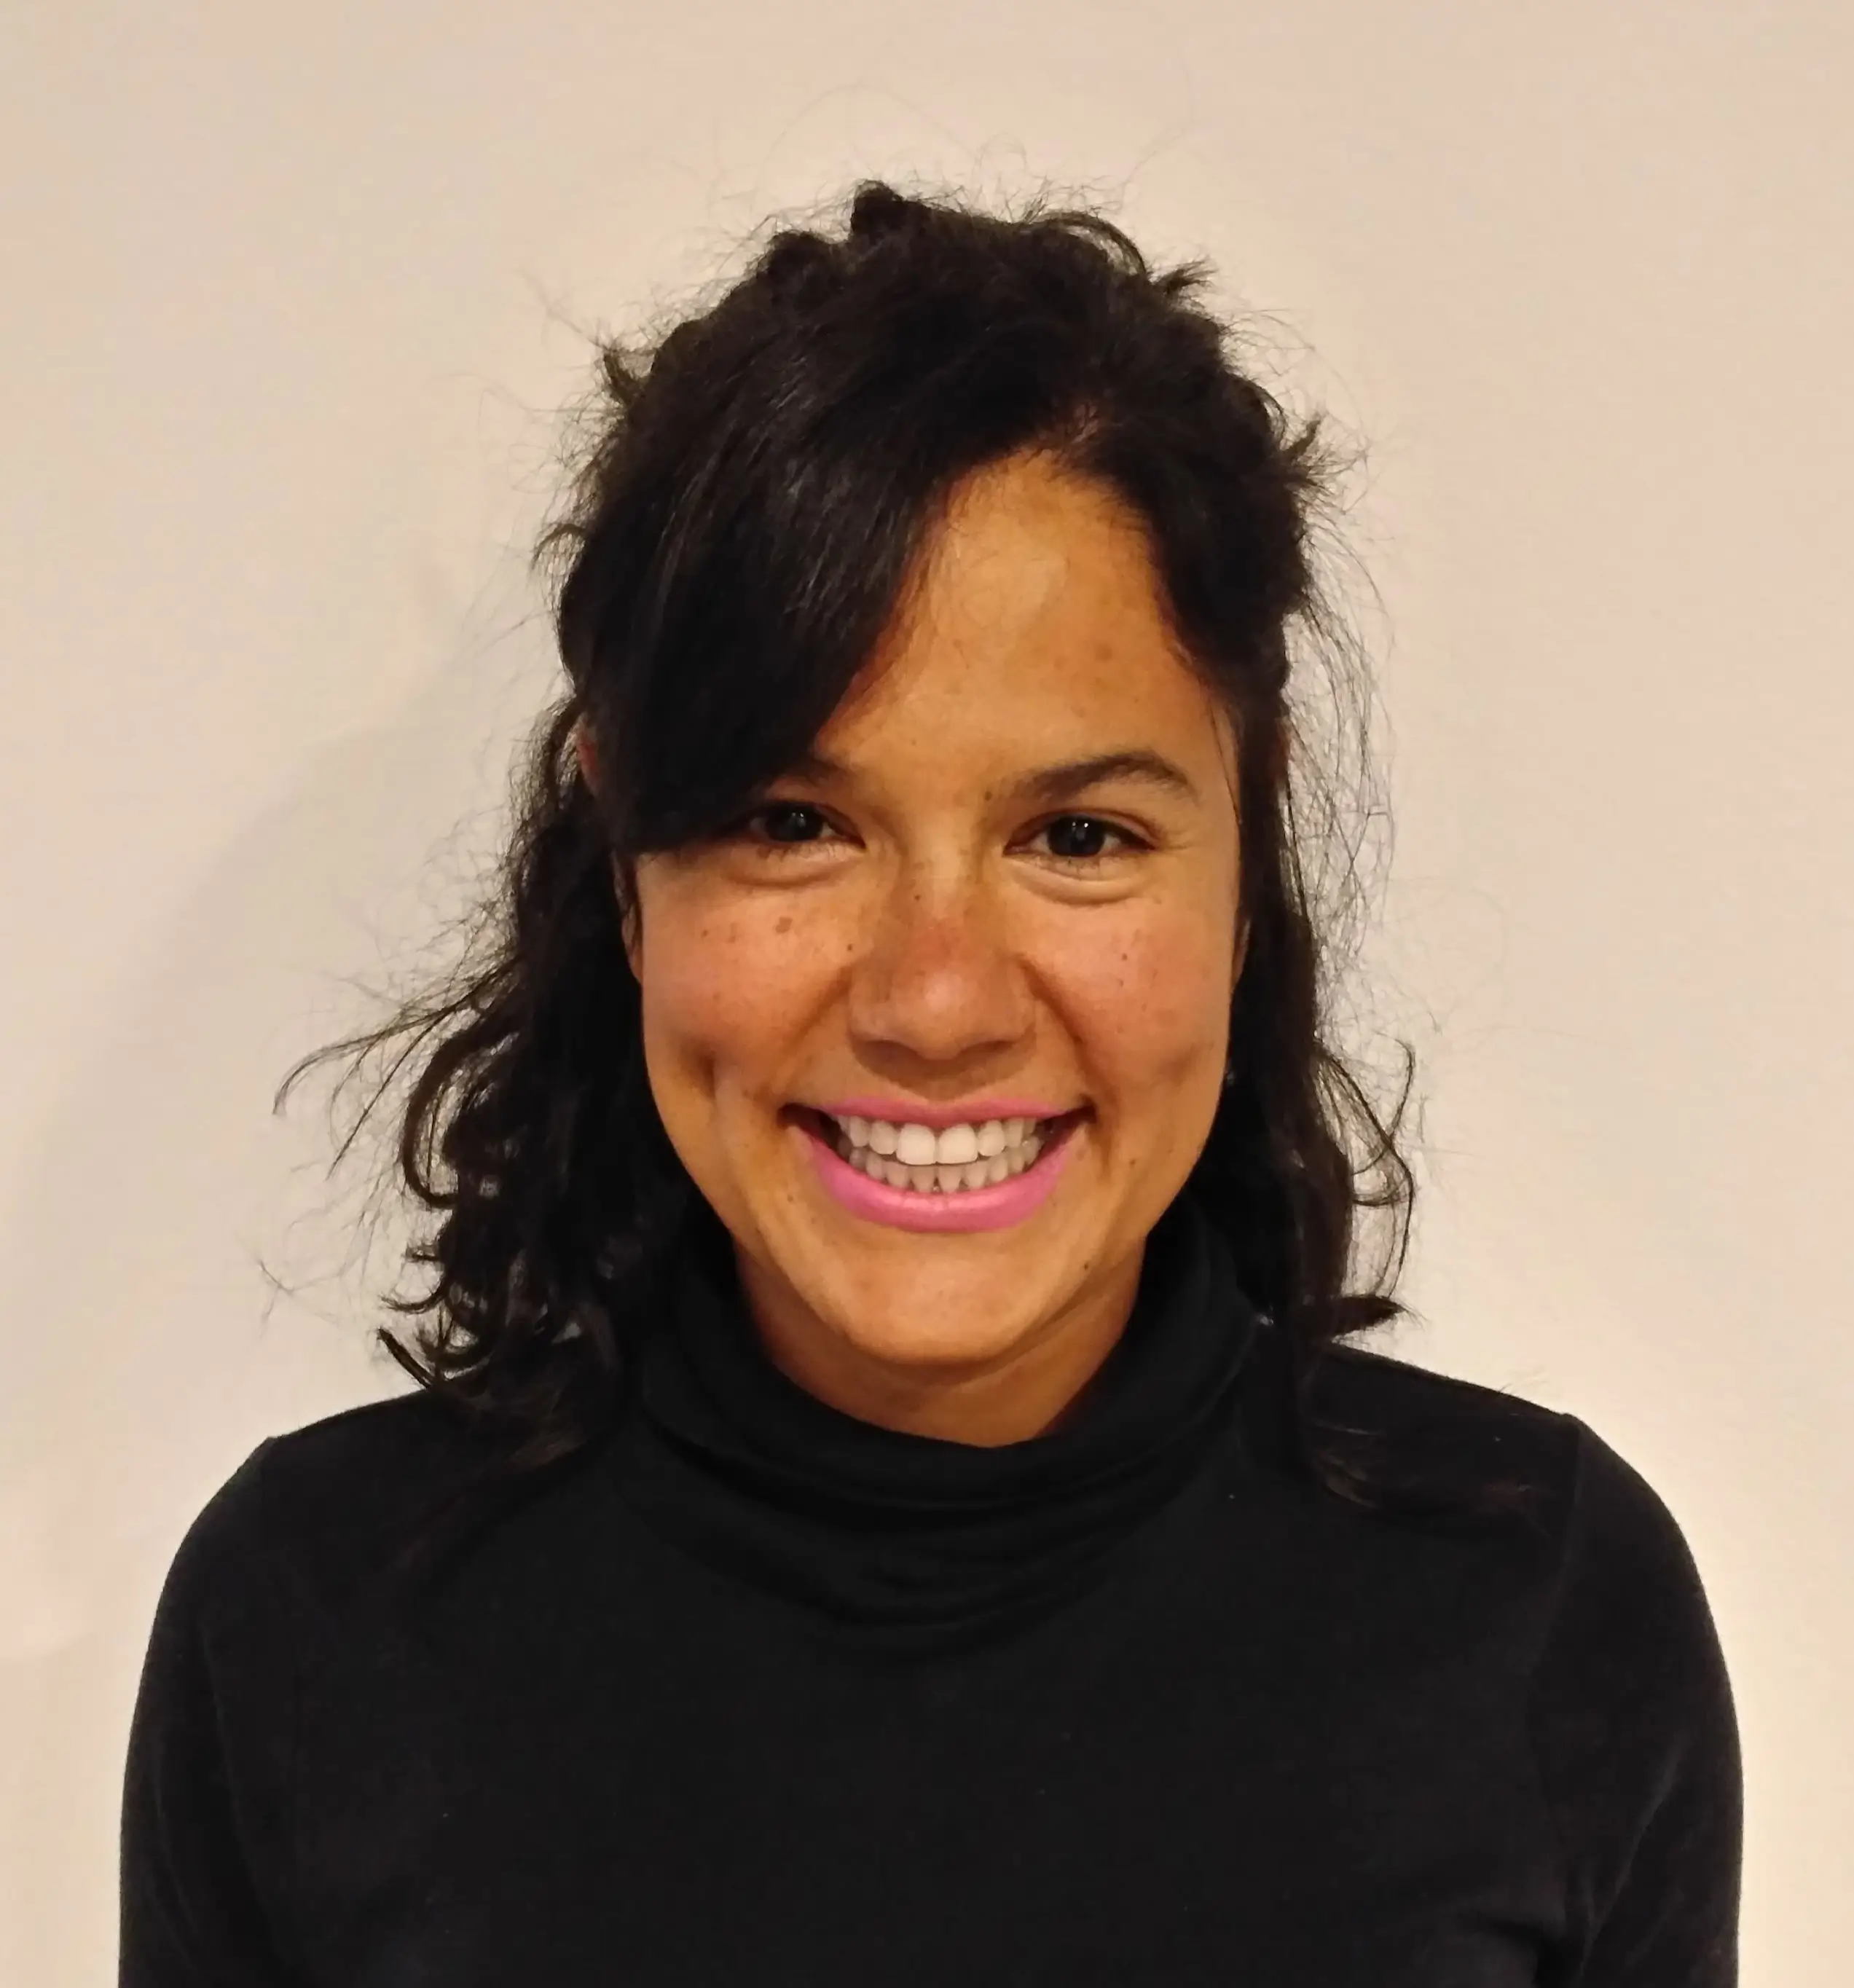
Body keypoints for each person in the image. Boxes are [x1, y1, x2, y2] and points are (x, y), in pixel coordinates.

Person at [118, 181, 1742, 1986]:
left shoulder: (1540, 1607)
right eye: (792, 822)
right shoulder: (313, 1622)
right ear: (624, 860)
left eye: (1080, 834)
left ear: (1247, 845)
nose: (937, 1000)